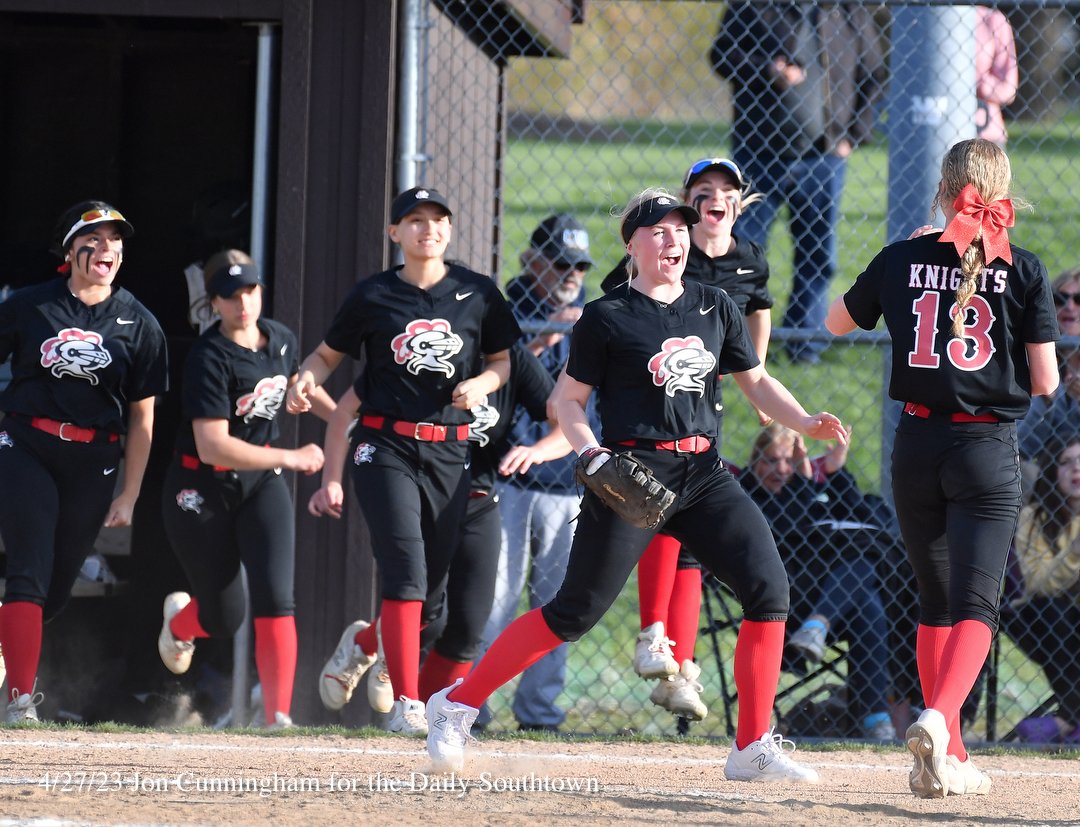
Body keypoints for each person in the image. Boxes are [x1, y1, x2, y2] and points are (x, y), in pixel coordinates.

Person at [426, 187, 846, 782]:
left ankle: (751, 746)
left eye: (679, 227)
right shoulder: (608, 315)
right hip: (631, 476)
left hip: (702, 474)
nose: (672, 237)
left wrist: (803, 419)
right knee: (572, 613)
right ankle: (457, 705)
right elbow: (565, 402)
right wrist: (592, 454)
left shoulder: (713, 304)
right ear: (632, 246)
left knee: (768, 593)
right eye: (657, 230)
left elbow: (755, 379)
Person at [826, 138, 1060, 797]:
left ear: (943, 187)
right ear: (1001, 189)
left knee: (934, 600)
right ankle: (937, 720)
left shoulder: (904, 256)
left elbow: (836, 322)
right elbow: (1045, 379)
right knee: (976, 602)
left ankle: (945, 754)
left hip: (916, 446)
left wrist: (909, 258)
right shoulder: (1023, 268)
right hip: (984, 448)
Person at [288, 186, 520, 734]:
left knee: (433, 598)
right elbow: (326, 357)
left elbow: (503, 361)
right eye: (414, 220)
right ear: (395, 233)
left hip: (449, 448)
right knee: (407, 573)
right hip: (384, 445)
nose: (427, 229)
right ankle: (409, 705)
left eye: (437, 219)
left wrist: (483, 383)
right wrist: (305, 376)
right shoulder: (374, 295)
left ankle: (365, 642)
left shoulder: (477, 293)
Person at [309, 342, 572, 718]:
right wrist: (332, 478)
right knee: (428, 612)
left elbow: (564, 423)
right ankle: (378, 653)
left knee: (468, 628)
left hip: (479, 498)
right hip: (422, 494)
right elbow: (343, 413)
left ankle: (436, 718)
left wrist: (539, 451)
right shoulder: (430, 349)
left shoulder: (512, 360)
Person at [600, 158, 772, 722]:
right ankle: (655, 634)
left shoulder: (748, 261)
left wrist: (754, 372)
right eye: (702, 191)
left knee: (695, 541)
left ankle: (683, 665)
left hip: (703, 399)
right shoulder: (671, 251)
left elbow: (758, 316)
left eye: (726, 191)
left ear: (740, 203)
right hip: (656, 402)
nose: (714, 199)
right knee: (664, 512)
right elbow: (621, 299)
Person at [0, 200, 168, 722]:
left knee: (55, 588)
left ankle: (8, 660)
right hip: (26, 444)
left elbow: (143, 420)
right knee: (28, 570)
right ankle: (19, 701)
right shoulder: (30, 305)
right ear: (70, 249)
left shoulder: (140, 323)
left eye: (115, 241)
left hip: (93, 457)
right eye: (93, 238)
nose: (106, 249)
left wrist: (131, 492)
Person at [157, 250, 334, 729]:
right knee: (224, 616)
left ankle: (278, 717)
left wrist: (343, 419)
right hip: (201, 486)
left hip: (260, 485)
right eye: (231, 295)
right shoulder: (208, 357)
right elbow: (213, 446)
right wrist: (291, 457)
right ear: (213, 303)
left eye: (251, 290)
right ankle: (180, 625)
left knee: (278, 596)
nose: (244, 303)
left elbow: (299, 381)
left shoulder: (279, 338)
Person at [712, 1, 887, 364]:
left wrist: (853, 136)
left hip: (822, 159)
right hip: (757, 155)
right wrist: (766, 68)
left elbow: (873, 73)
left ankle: (805, 347)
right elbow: (721, 55)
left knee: (816, 256)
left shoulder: (846, 10)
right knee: (742, 251)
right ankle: (735, 346)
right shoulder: (753, 6)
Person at [484, 214, 597, 731]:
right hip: (507, 479)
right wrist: (546, 340)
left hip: (563, 484)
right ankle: (472, 704)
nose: (570, 273)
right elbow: (497, 380)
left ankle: (538, 711)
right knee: (495, 600)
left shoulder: (591, 319)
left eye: (578, 265)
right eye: (559, 262)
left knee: (555, 604)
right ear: (533, 263)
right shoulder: (505, 312)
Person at [739, 423, 897, 741]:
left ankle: (819, 626)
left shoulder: (809, 492)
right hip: (785, 603)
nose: (781, 469)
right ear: (755, 462)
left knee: (867, 592)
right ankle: (874, 715)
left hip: (830, 603)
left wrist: (836, 470)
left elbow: (861, 519)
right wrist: (805, 480)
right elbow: (792, 528)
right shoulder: (747, 498)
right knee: (866, 591)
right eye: (771, 460)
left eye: (790, 462)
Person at [1005, 435, 1080, 744]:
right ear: (1053, 470)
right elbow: (1038, 583)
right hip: (1040, 618)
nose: (1077, 468)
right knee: (1054, 611)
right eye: (1067, 462)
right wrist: (1074, 551)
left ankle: (1065, 722)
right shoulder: (1034, 519)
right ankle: (1070, 721)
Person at [975, 6, 1019, 147]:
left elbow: (1008, 88)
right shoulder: (918, 16)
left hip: (985, 134)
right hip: (932, 129)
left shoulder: (993, 19)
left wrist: (977, 84)